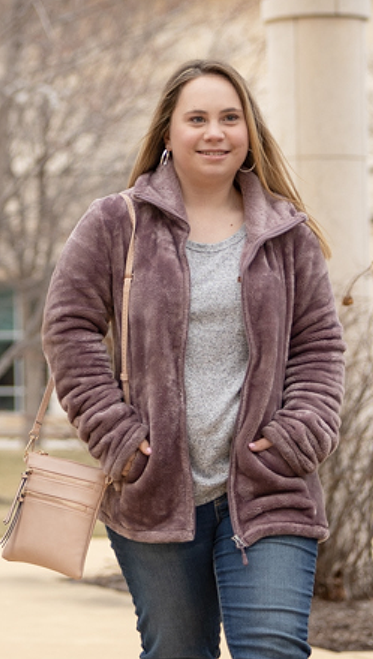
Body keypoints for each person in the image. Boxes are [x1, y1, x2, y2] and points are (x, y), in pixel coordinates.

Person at [42, 59, 345, 659]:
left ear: (249, 132)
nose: (216, 132)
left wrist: (299, 435)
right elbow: (68, 328)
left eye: (230, 118)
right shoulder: (116, 222)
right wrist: (117, 436)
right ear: (167, 133)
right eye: (198, 118)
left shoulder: (288, 234)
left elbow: (319, 347)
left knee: (274, 649)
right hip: (153, 491)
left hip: (270, 488)